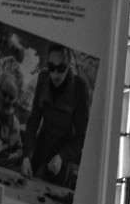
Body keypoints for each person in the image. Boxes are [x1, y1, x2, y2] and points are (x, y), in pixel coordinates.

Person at [25, 44, 90, 187]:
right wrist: (26, 155)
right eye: (51, 67)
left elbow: (81, 138)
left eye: (61, 69)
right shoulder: (43, 78)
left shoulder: (80, 89)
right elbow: (34, 119)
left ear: (68, 66)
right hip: (39, 151)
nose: (55, 74)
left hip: (61, 158)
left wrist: (63, 156)